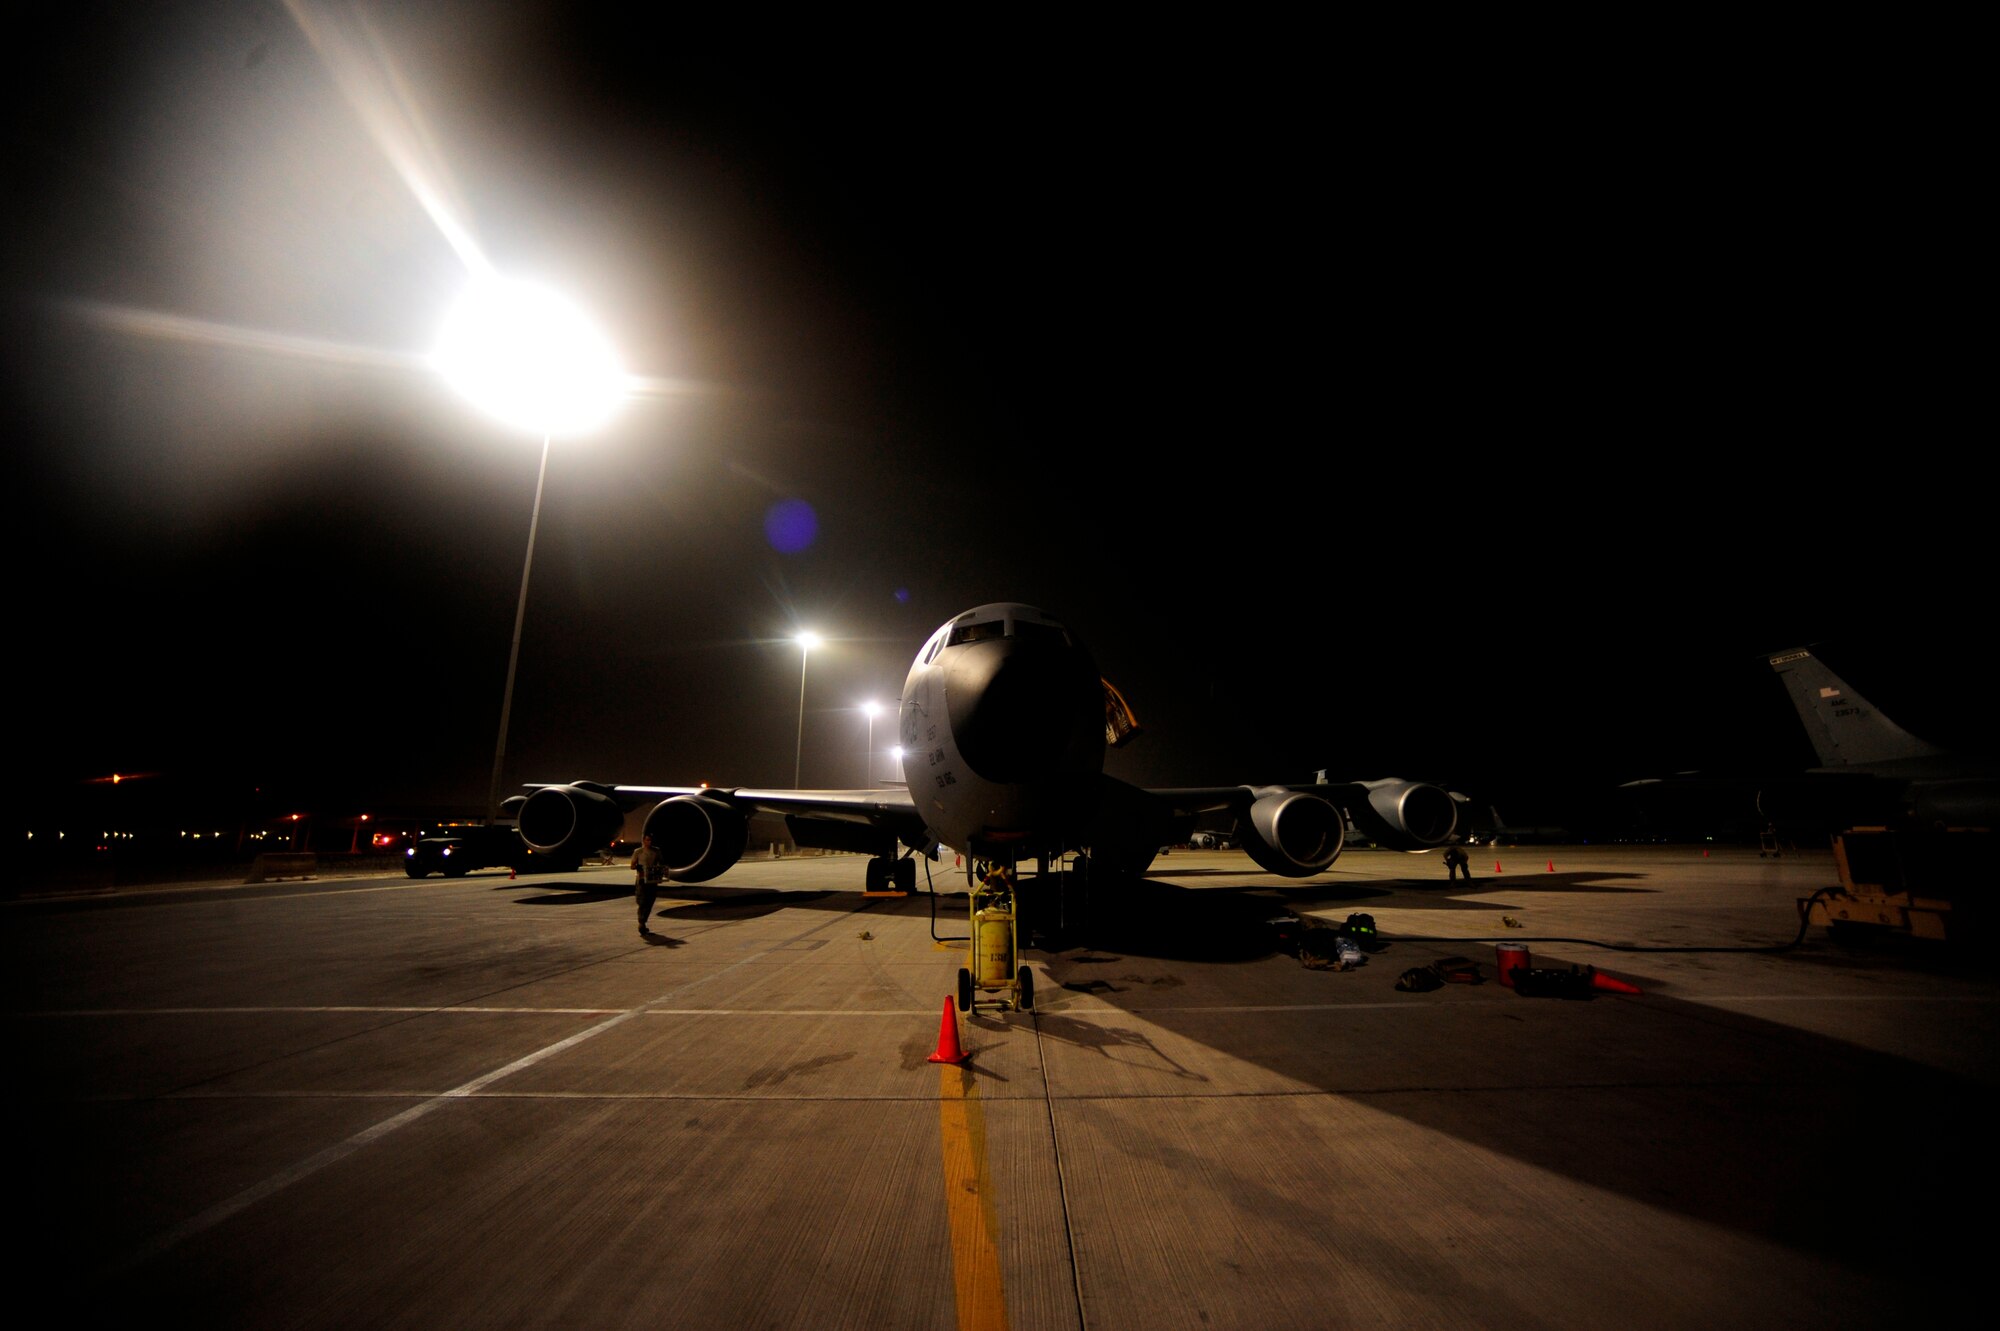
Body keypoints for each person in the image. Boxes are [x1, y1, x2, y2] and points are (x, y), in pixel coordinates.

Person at [632, 835, 665, 935]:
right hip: (642, 879)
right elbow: (632, 865)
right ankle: (641, 922)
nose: (649, 842)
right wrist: (638, 867)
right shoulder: (638, 852)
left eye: (650, 840)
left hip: (652, 879)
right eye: (647, 840)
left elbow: (661, 863)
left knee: (650, 901)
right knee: (642, 901)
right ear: (643, 841)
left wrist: (659, 871)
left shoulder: (656, 851)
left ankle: (643, 922)